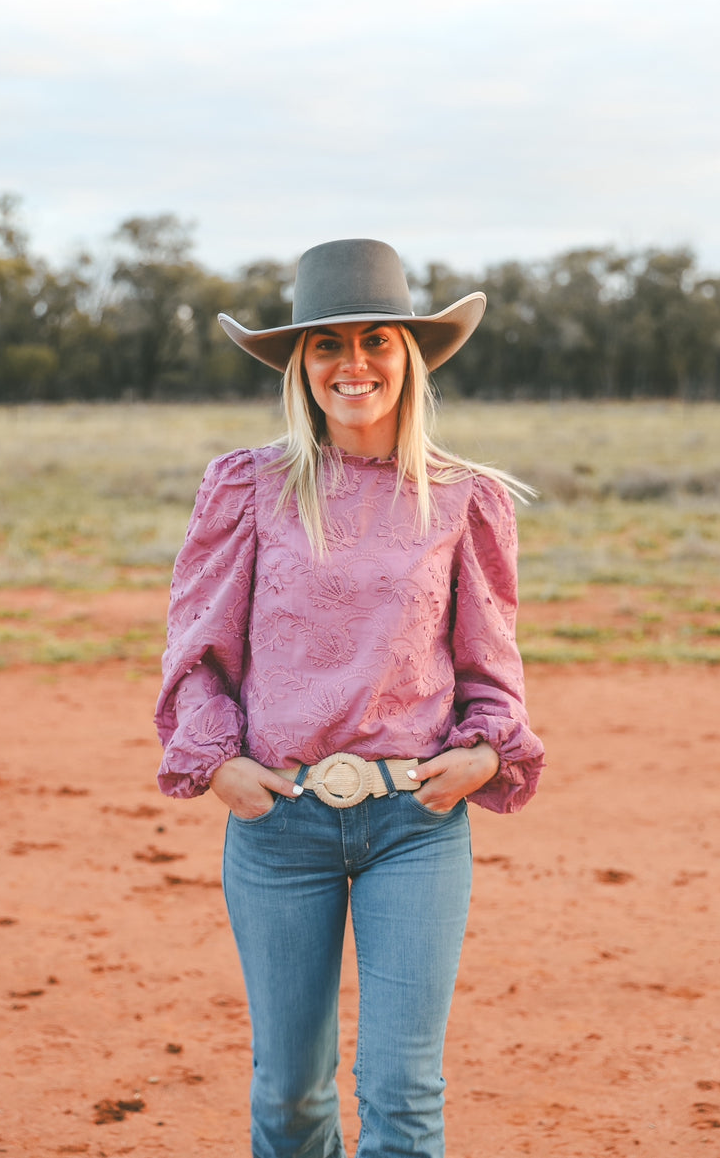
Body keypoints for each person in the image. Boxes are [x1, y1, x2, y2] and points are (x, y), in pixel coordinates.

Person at [154, 238, 545, 1158]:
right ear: (302, 365)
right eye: (326, 344)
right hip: (279, 823)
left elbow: (491, 668)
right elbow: (198, 653)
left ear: (410, 357)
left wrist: (489, 750)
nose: (353, 362)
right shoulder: (246, 487)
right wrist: (218, 765)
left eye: (376, 339)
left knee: (404, 1096)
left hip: (415, 820)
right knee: (289, 1097)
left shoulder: (466, 498)